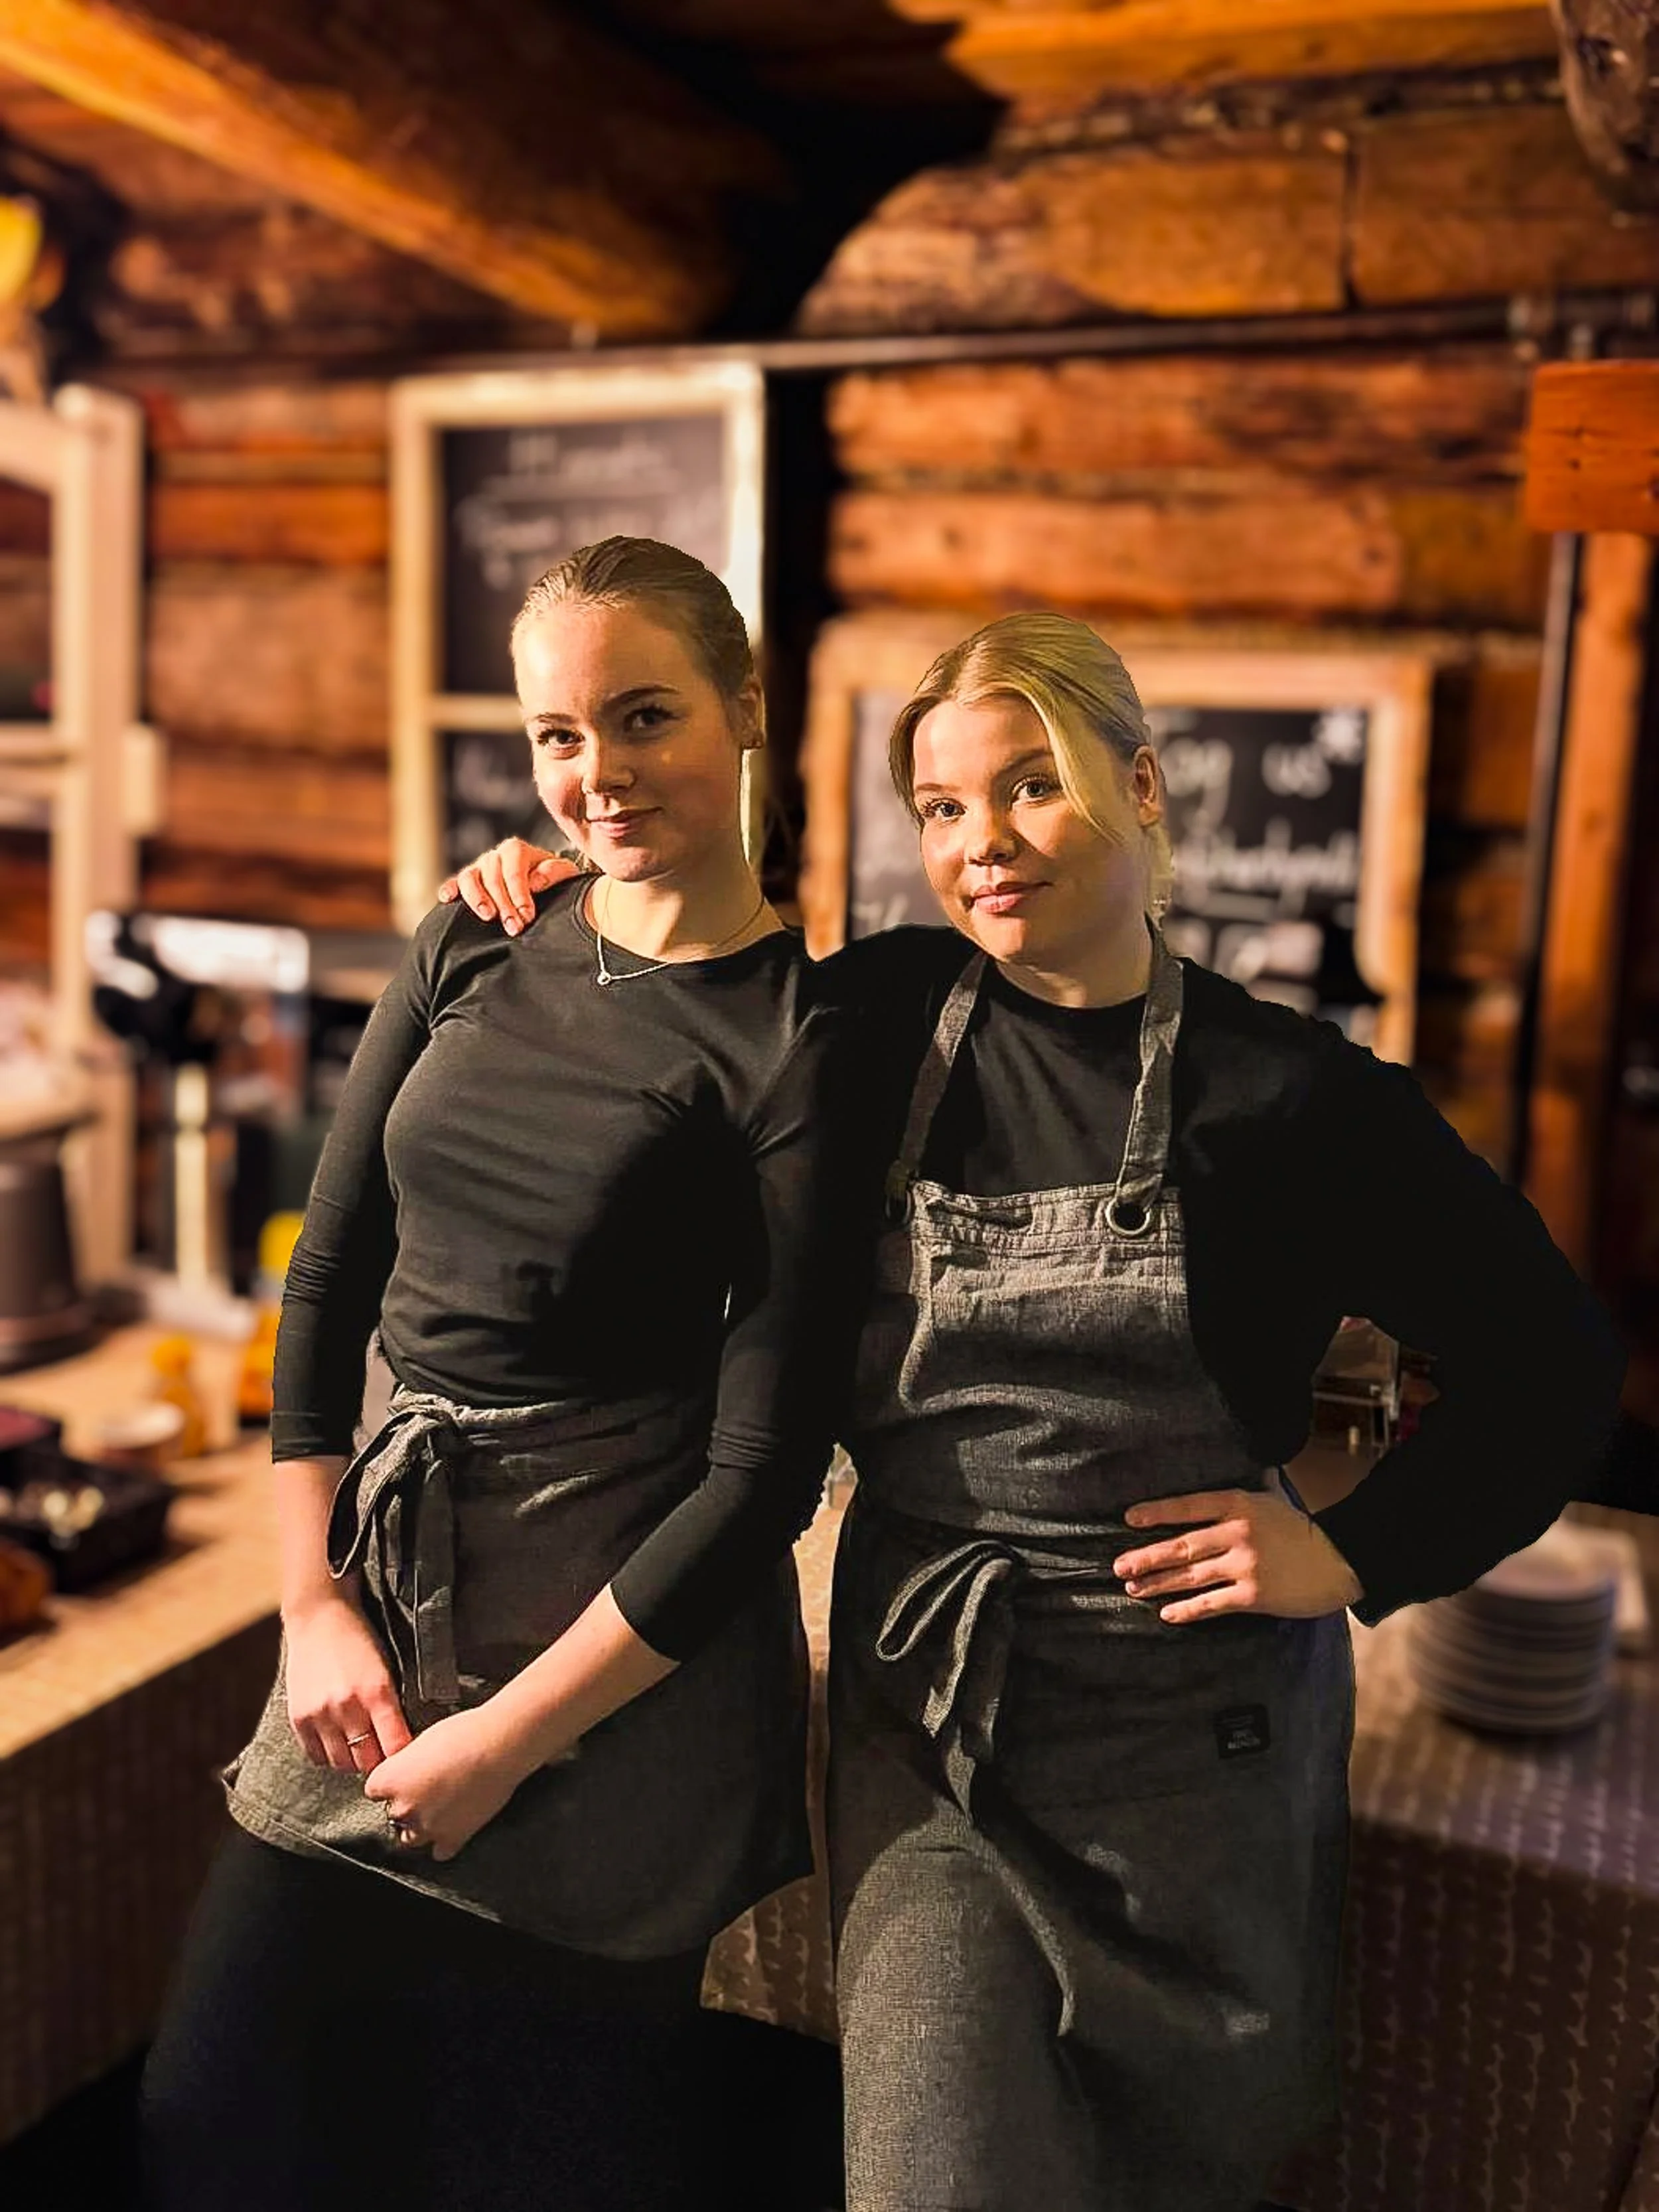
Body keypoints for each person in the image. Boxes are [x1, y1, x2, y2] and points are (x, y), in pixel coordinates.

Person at [440, 609, 1626, 2212]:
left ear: (1137, 785)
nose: (980, 842)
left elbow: (1553, 1364)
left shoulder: (1287, 1096)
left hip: (1193, 1756)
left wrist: (1351, 1551)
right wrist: (554, 902)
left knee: (1174, 2170)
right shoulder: (872, 1022)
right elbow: (665, 1024)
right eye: (939, 806)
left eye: (1029, 785)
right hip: (929, 1725)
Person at [141, 537, 851, 2212]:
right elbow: (329, 1274)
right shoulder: (473, 936)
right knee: (211, 2124)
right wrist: (309, 1600)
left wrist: (509, 1743)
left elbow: (761, 1473)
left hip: (610, 1683)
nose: (595, 773)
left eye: (643, 715)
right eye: (555, 733)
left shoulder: (798, 1041)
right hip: (379, 1615)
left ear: (746, 709)